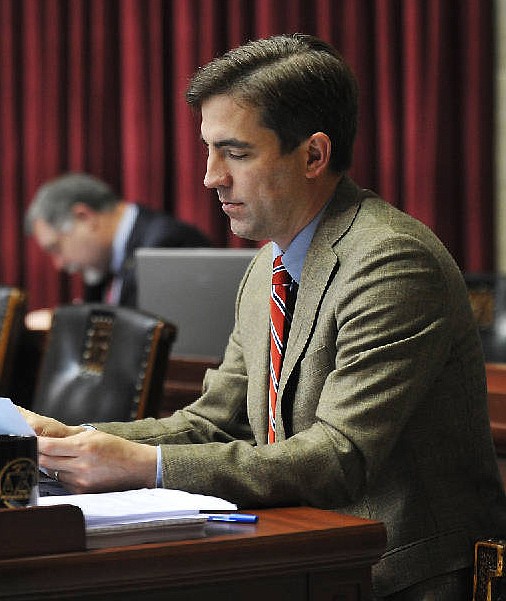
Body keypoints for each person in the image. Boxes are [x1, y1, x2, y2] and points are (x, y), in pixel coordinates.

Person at [20, 34, 506, 600]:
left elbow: (338, 458)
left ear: (313, 155)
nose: (210, 177)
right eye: (208, 150)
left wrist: (145, 465)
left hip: (400, 577)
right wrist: (76, 439)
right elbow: (214, 422)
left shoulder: (392, 261)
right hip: (308, 557)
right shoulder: (266, 266)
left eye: (237, 153)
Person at [25, 172, 211, 308]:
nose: (59, 264)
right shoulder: (101, 265)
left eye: (56, 248)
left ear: (84, 217)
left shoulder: (165, 245)